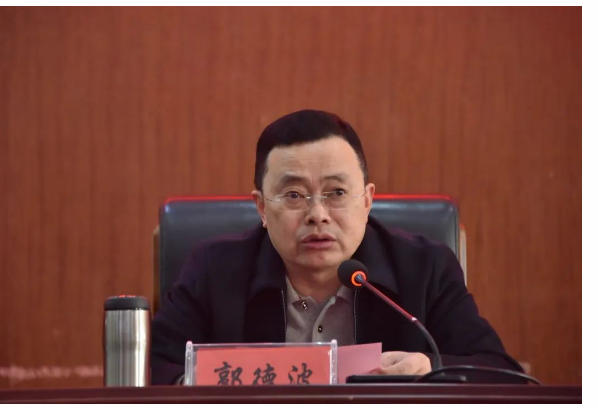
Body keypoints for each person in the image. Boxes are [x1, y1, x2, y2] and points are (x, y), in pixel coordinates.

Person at [151, 109, 523, 385]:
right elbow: (151, 369)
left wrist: (431, 367)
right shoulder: (214, 270)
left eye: (337, 192)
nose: (318, 215)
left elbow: (500, 373)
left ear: (367, 200)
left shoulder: (426, 268)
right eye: (294, 195)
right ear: (261, 207)